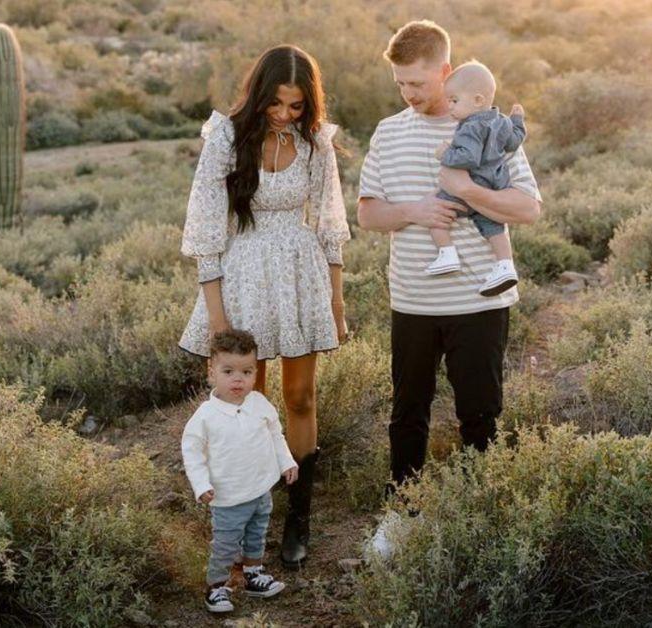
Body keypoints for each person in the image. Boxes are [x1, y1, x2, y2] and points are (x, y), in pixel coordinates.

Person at [355, 20, 542, 556]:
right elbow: (367, 214)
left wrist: (464, 189)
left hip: (479, 302)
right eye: (400, 85)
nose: (409, 94)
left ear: (444, 71)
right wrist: (416, 210)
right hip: (413, 300)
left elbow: (528, 207)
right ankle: (402, 516)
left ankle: (480, 518)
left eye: (417, 82)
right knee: (407, 412)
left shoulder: (489, 127)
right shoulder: (389, 133)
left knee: (481, 413)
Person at [178, 45, 351, 569]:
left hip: (301, 273)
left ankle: (298, 518)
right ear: (260, 94)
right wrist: (217, 318)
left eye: (295, 106)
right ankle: (245, 509)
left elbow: (328, 226)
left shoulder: (316, 142)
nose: (284, 114)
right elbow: (208, 230)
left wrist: (337, 305)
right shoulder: (227, 138)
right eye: (276, 103)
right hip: (245, 273)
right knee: (247, 400)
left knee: (299, 397)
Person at [181, 329, 297, 613]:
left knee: (257, 535)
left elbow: (275, 434)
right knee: (226, 543)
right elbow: (192, 453)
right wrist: (200, 485)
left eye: (246, 372)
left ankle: (253, 575)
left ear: (255, 373)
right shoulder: (205, 417)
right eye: (228, 371)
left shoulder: (259, 404)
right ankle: (217, 587)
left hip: (260, 491)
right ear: (212, 372)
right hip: (229, 496)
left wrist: (287, 462)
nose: (238, 379)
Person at [426, 61, 527, 298]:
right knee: (494, 227)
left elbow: (468, 158)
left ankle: (447, 254)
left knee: (436, 213)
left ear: (478, 101)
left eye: (454, 101)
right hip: (495, 186)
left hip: (471, 185)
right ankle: (505, 266)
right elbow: (514, 141)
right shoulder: (501, 121)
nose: (449, 106)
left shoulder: (469, 127)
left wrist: (445, 154)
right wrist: (518, 121)